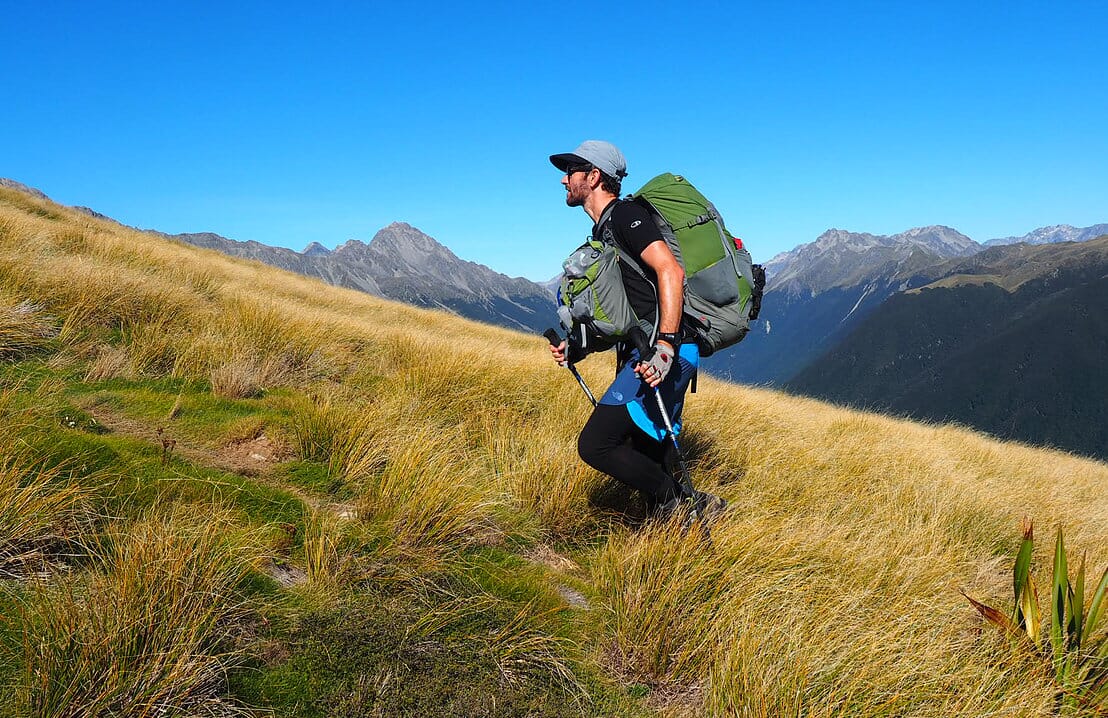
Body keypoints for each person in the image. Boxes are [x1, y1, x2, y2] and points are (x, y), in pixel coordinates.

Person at [548, 140, 724, 521]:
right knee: (646, 459)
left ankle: (689, 503)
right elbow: (623, 313)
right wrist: (575, 348)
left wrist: (665, 346)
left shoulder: (627, 216)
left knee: (596, 445)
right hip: (645, 352)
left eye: (571, 172)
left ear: (593, 177)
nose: (564, 180)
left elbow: (670, 271)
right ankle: (678, 536)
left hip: (663, 353)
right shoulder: (604, 232)